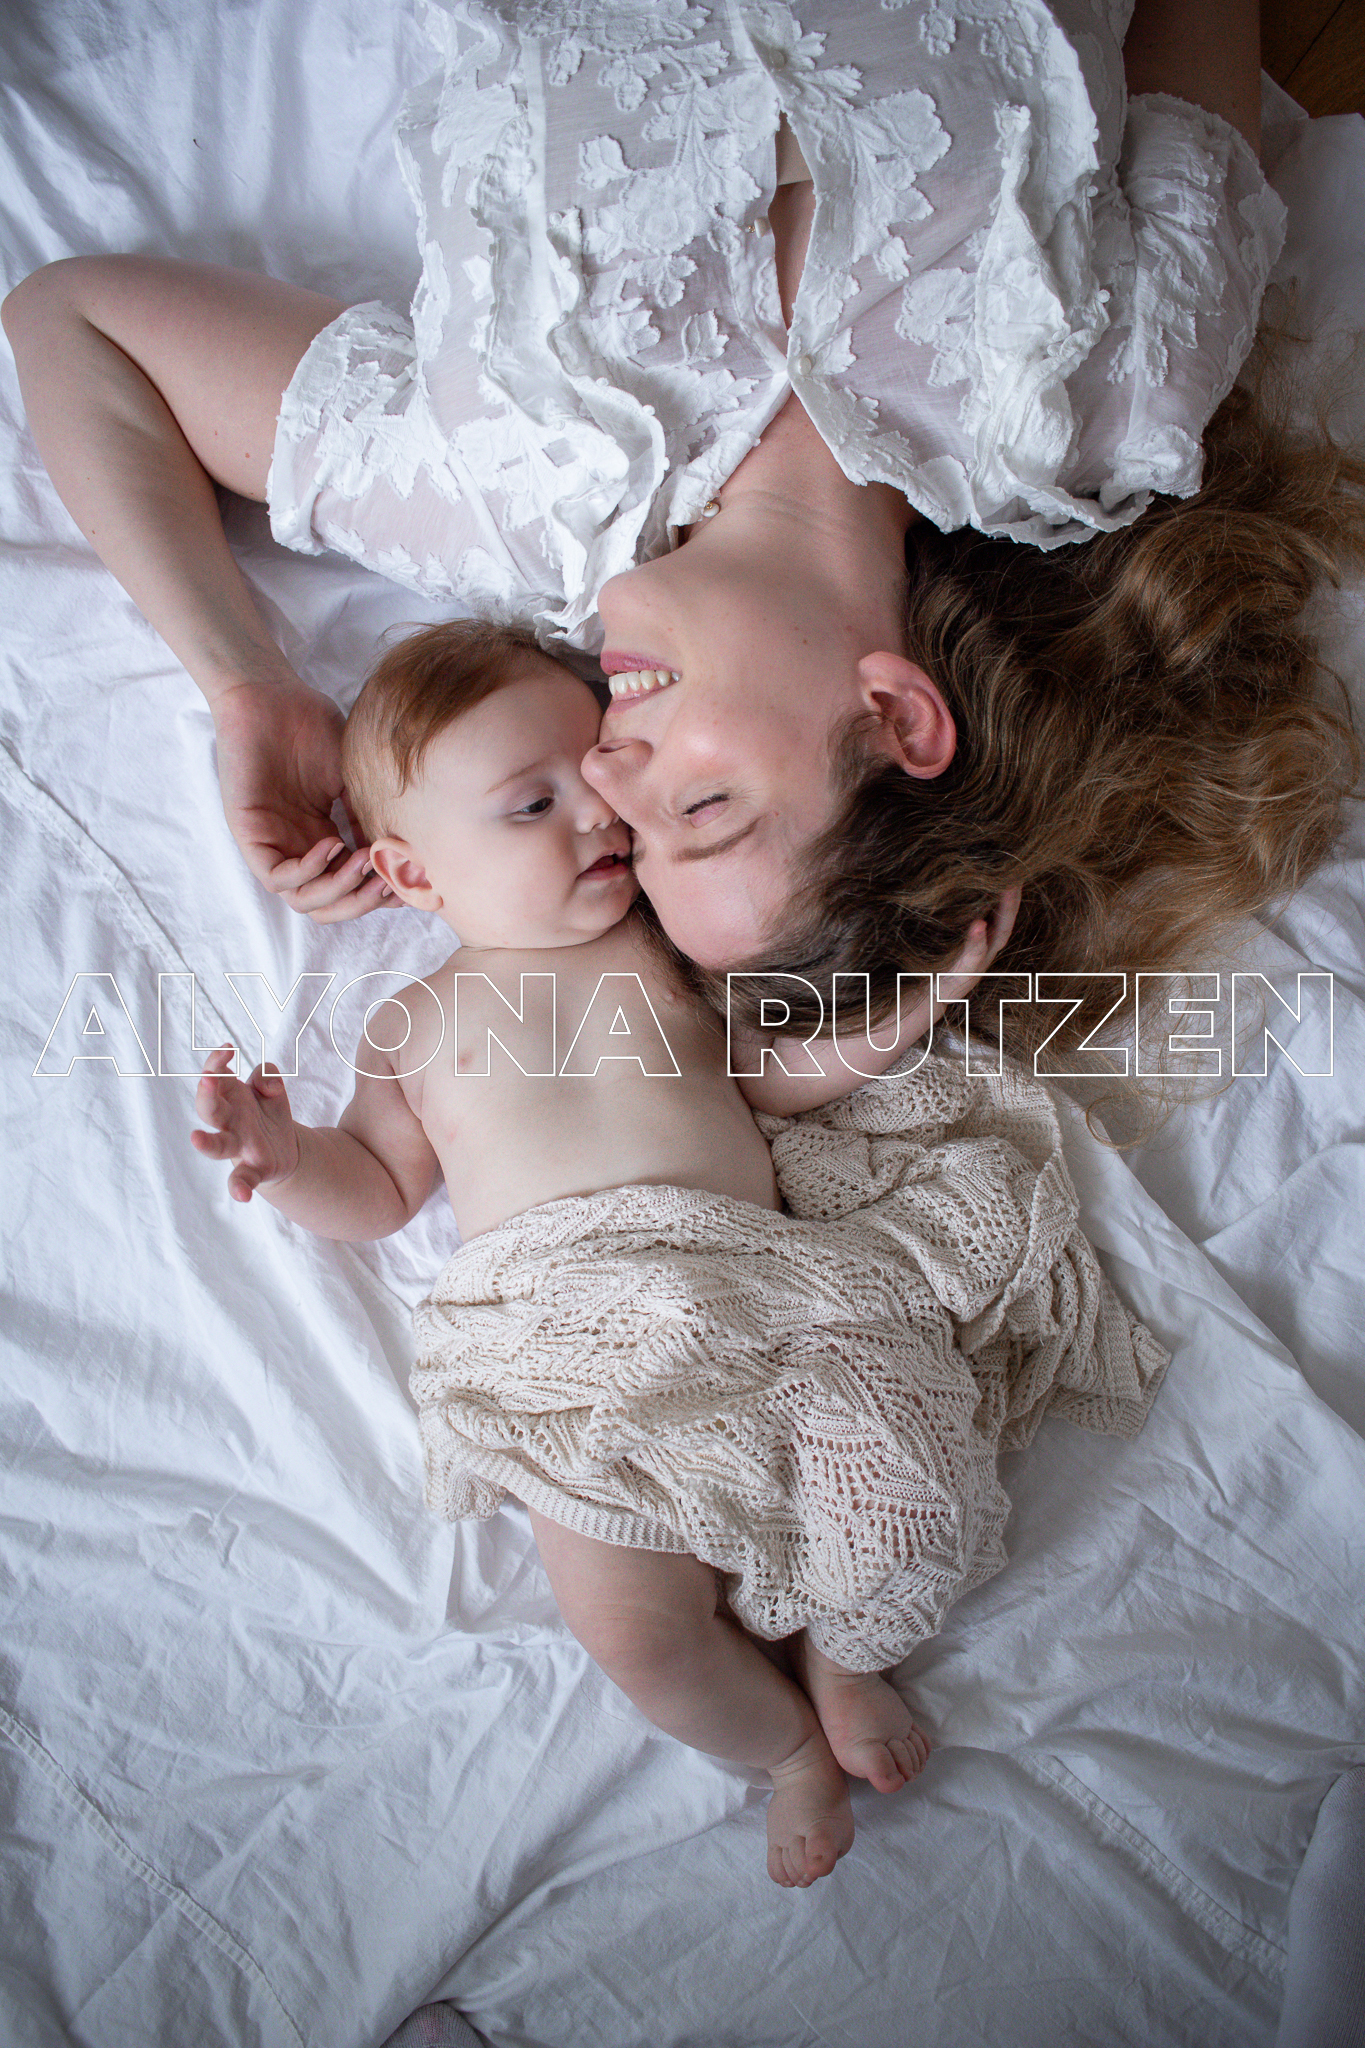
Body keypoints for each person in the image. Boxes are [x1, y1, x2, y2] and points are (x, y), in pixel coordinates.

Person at [6, 0, 1358, 1048]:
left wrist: (245, 686)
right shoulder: (1121, 391)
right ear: (898, 715)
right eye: (702, 807)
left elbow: (71, 325)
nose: (609, 774)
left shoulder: (507, 496)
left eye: (629, 837)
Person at [189, 619, 1167, 1886]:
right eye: (531, 802)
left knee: (895, 1482)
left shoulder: (667, 953)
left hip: (753, 1290)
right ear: (412, 872)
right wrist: (285, 1157)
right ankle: (785, 1751)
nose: (595, 813)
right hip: (570, 1350)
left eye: (595, 774)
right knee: (635, 1631)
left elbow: (772, 1077)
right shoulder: (414, 1022)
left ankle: (844, 1654)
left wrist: (915, 1009)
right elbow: (377, 1190)